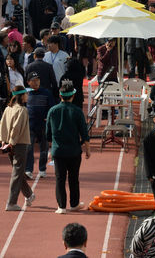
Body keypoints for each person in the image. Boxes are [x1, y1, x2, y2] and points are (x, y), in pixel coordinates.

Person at [47, 82, 91, 214]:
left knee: (59, 178)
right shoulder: (77, 111)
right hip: (74, 151)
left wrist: (51, 149)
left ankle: (61, 206)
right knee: (73, 177)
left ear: (60, 95)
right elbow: (84, 133)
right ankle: (74, 203)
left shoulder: (52, 111)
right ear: (72, 96)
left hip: (58, 151)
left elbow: (48, 134)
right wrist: (87, 149)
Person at [0, 85, 35, 211]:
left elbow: (2, 124)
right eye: (26, 93)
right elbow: (17, 128)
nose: (28, 96)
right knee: (17, 172)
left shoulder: (8, 109)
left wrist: (3, 141)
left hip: (8, 143)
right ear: (21, 96)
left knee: (18, 172)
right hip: (19, 144)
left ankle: (29, 194)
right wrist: (12, 143)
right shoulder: (22, 110)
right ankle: (11, 202)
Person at [25, 72, 54, 179]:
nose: (36, 82)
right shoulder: (26, 94)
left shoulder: (46, 93)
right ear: (28, 82)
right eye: (33, 80)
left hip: (43, 125)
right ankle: (28, 170)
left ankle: (42, 169)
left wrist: (48, 117)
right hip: (30, 125)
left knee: (44, 148)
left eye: (38, 80)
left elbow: (51, 107)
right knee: (29, 148)